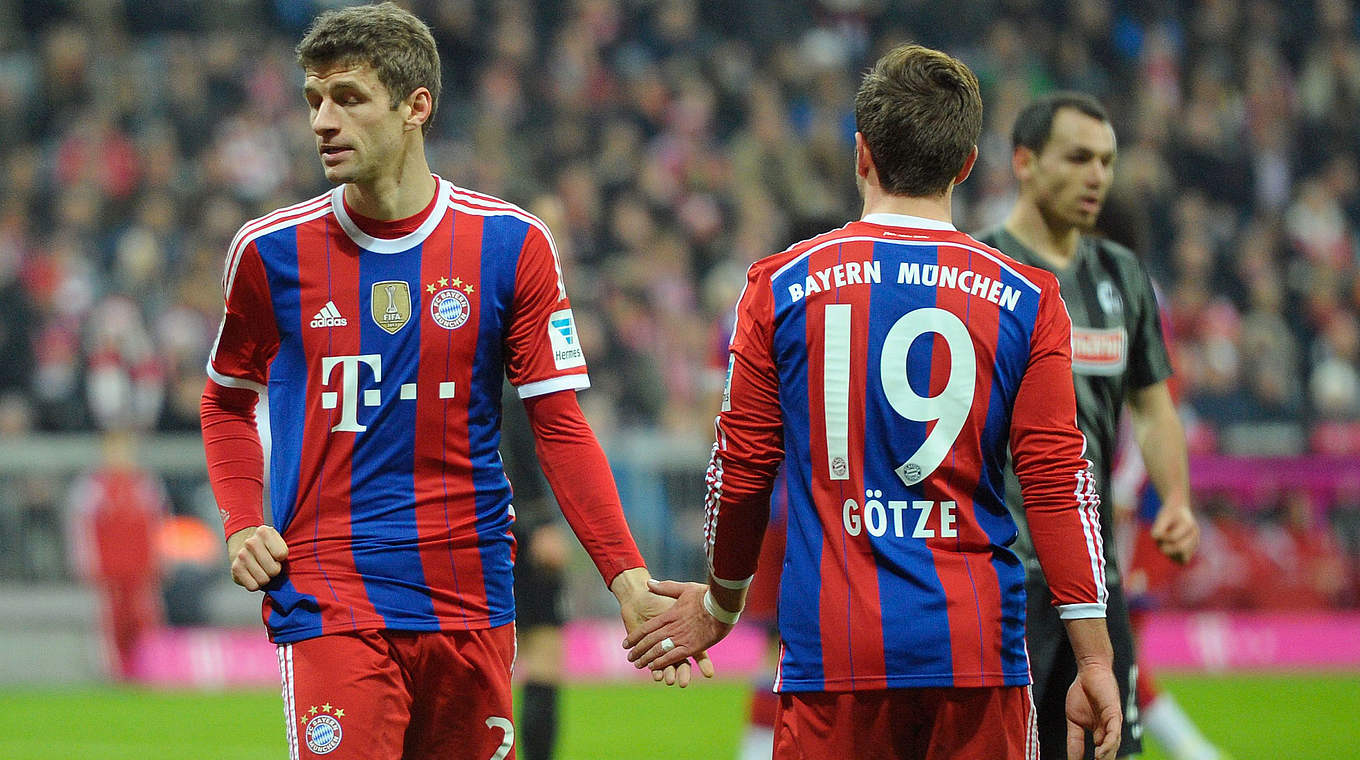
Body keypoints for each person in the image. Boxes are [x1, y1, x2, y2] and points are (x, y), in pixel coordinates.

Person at [198, 5, 707, 759]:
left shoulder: (511, 244)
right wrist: (243, 520)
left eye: (347, 97)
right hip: (331, 593)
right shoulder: (270, 252)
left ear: (416, 107)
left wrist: (626, 578)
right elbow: (225, 400)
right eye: (313, 100)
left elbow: (557, 425)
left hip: (468, 593)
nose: (322, 122)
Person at [627, 44, 1121, 760]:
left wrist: (721, 601)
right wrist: (1095, 659)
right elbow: (1058, 482)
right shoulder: (1029, 296)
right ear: (967, 164)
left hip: (835, 655)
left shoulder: (778, 285)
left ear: (861, 154)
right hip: (977, 653)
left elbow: (740, 469)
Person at [974, 92, 1201, 760]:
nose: (1097, 175)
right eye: (1077, 158)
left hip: (1091, 580)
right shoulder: (978, 269)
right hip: (1000, 575)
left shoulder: (1123, 276)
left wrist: (1178, 499)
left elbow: (1153, 406)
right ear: (1024, 162)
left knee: (1106, 751)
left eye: (1106, 160)